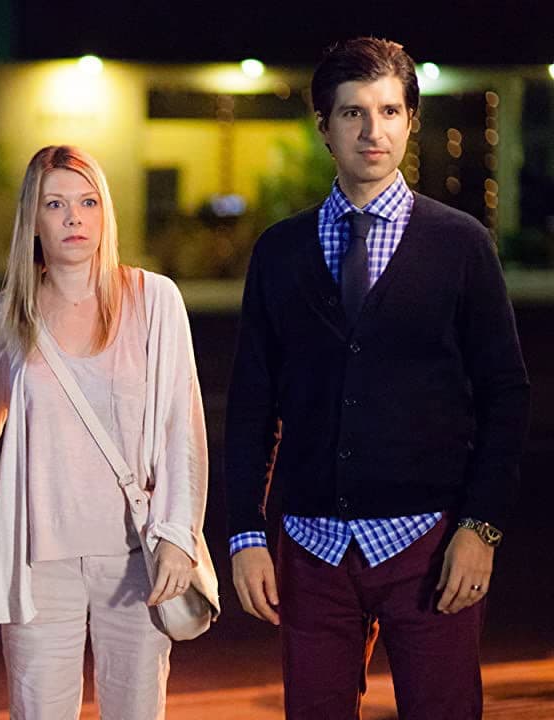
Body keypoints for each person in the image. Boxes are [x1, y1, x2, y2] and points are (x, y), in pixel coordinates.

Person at [225, 37, 530, 719]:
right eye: (353, 113)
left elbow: (506, 394)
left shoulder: (460, 244)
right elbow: (251, 402)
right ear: (324, 126)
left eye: (390, 111)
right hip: (312, 548)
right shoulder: (280, 251)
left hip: (429, 544)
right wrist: (245, 534)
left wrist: (480, 528)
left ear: (411, 120)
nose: (374, 130)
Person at [0, 145, 212, 719]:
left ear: (105, 211)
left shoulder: (154, 300)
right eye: (55, 204)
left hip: (136, 554)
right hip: (39, 562)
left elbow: (183, 428)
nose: (73, 217)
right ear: (32, 218)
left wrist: (180, 534)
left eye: (87, 202)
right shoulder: (4, 317)